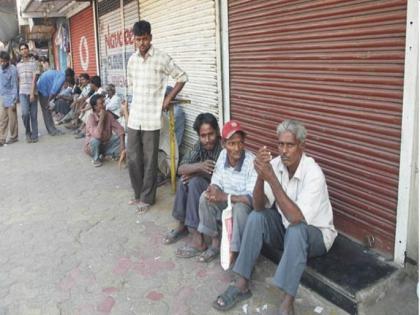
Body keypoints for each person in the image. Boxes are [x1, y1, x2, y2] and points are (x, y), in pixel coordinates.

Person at [213, 120, 337, 314]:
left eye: (290, 145)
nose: (284, 151)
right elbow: (259, 205)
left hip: (315, 235)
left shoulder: (313, 173)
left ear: (302, 146)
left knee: (296, 231)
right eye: (280, 144)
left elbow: (297, 218)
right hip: (286, 229)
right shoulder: (276, 164)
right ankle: (242, 283)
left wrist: (271, 178)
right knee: (256, 217)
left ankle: (287, 303)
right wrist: (261, 176)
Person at [126, 20, 188, 212]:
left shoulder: (162, 58)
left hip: (152, 118)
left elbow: (182, 77)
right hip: (135, 117)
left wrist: (169, 97)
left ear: (150, 38)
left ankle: (147, 198)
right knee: (133, 158)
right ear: (134, 41)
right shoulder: (132, 60)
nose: (142, 42)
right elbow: (132, 88)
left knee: (150, 159)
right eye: (138, 39)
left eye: (145, 39)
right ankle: (138, 195)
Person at [176, 120, 257, 264]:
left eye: (240, 143)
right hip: (225, 201)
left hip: (241, 205)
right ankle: (215, 243)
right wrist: (213, 189)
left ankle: (236, 254)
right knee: (204, 197)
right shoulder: (222, 155)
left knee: (239, 209)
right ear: (224, 144)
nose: (237, 148)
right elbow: (216, 180)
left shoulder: (251, 161)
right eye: (232, 143)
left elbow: (251, 198)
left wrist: (224, 196)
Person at [163, 113, 223, 245]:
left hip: (221, 190)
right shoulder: (199, 146)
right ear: (199, 136)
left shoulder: (223, 148)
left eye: (211, 134)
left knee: (194, 182)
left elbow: (220, 178)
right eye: (203, 136)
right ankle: (182, 223)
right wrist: (199, 167)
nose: (207, 139)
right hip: (206, 181)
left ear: (217, 131)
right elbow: (180, 168)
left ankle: (196, 235)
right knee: (183, 181)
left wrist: (196, 173)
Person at [84, 94, 125, 167]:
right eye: (101, 103)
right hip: (92, 147)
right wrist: (102, 119)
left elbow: (119, 128)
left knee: (122, 138)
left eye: (104, 102)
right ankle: (96, 158)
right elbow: (98, 135)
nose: (104, 105)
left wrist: (122, 145)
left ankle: (106, 154)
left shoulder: (108, 115)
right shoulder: (91, 117)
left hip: (105, 144)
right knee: (95, 140)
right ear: (95, 107)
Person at [37, 67, 75, 136]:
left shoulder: (61, 74)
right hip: (43, 88)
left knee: (47, 110)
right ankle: (52, 130)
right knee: (47, 110)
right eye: (71, 78)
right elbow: (54, 91)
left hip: (42, 86)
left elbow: (56, 91)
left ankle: (51, 129)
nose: (70, 80)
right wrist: (49, 101)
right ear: (68, 76)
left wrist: (52, 99)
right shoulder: (62, 77)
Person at [16, 43, 39, 143]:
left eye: (25, 48)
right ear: (20, 52)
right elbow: (18, 79)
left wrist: (32, 93)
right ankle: (27, 132)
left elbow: (35, 78)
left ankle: (35, 134)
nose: (24, 50)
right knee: (25, 114)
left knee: (33, 115)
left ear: (28, 50)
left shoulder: (34, 63)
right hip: (22, 93)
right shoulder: (18, 65)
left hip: (32, 92)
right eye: (22, 49)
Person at [0, 51, 18, 146]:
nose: (2, 63)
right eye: (1, 61)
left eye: (4, 61)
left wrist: (14, 101)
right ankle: (2, 139)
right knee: (2, 119)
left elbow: (14, 85)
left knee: (13, 119)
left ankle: (14, 137)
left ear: (8, 61)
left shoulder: (13, 69)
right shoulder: (0, 69)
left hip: (11, 98)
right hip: (3, 97)